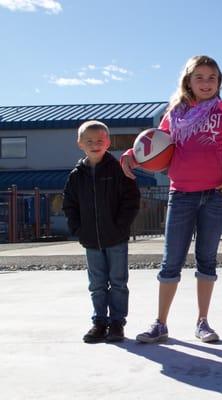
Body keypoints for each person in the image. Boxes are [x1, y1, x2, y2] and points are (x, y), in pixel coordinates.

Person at [120, 55, 222, 343]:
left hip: (215, 196)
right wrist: (133, 154)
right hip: (180, 194)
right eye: (200, 77)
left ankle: (203, 322)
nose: (206, 83)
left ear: (219, 82)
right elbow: (156, 143)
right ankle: (160, 323)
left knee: (207, 260)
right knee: (171, 262)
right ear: (188, 82)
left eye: (212, 77)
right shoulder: (175, 113)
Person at [63, 120, 140, 343]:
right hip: (90, 240)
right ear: (80, 144)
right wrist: (78, 229)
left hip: (116, 239)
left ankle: (117, 323)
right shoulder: (76, 176)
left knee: (117, 282)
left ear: (108, 142)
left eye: (99, 140)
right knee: (96, 284)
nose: (95, 144)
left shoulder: (118, 170)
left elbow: (131, 200)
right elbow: (69, 205)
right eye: (89, 141)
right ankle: (99, 322)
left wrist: (121, 226)